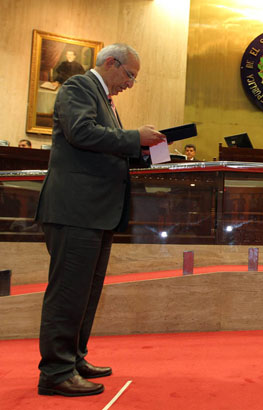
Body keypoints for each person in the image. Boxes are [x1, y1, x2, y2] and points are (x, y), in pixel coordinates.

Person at [34, 43, 165, 397]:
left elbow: (106, 149)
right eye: (130, 75)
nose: (131, 83)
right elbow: (81, 133)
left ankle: (73, 357)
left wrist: (147, 152)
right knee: (68, 293)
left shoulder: (106, 101)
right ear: (111, 62)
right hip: (75, 210)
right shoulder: (77, 87)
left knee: (87, 293)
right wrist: (135, 137)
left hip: (95, 212)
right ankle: (56, 372)